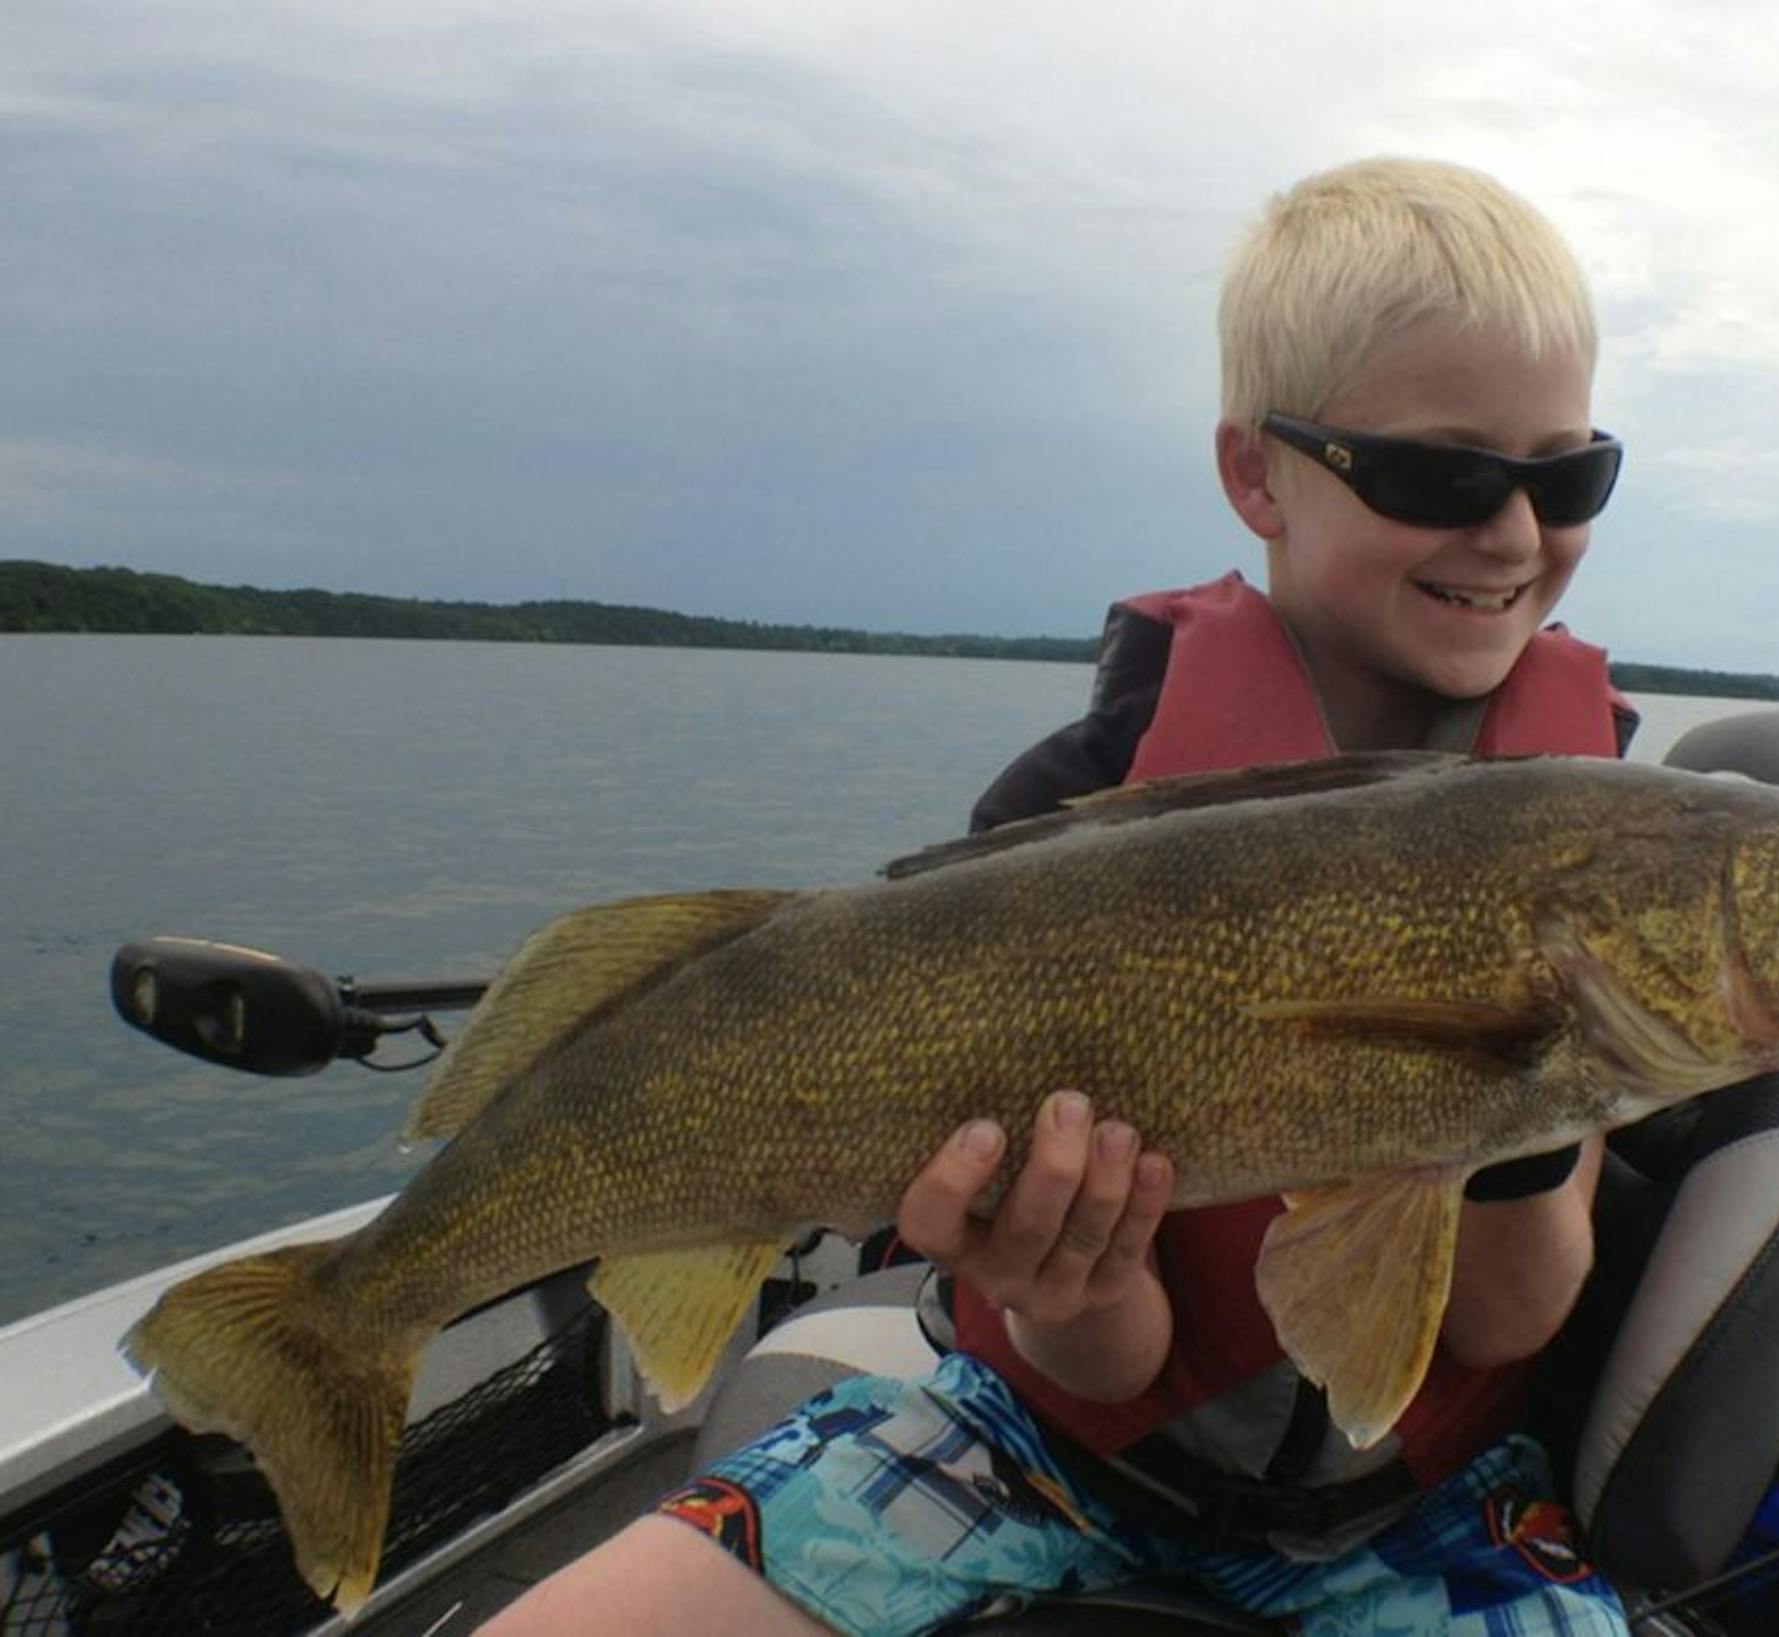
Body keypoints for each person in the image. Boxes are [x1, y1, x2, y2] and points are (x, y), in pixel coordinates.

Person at [482, 157, 1633, 1636]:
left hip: (1420, 1509)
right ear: (1254, 473)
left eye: (1569, 474)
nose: (1515, 532)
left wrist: (1520, 1093)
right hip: (1038, 1447)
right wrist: (1062, 1278)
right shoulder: (1067, 818)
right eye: (1441, 474)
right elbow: (1109, 1360)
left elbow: (1502, 1315)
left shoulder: (1589, 830)